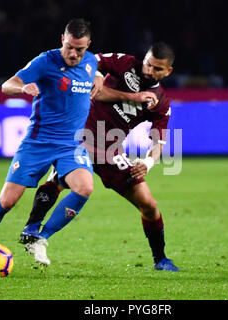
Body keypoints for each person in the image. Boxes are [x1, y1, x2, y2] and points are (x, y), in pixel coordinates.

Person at [0, 19, 101, 274]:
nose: (73, 54)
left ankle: (40, 238)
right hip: (38, 141)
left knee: (85, 188)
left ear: (88, 46)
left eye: (79, 50)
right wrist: (22, 88)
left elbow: (97, 67)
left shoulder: (91, 62)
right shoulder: (45, 61)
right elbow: (6, 85)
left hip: (70, 144)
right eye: (69, 48)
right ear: (61, 40)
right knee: (7, 201)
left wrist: (98, 77)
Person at [20, 42, 180, 271]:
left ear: (167, 72)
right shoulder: (125, 63)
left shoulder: (161, 103)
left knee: (149, 205)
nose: (148, 71)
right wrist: (95, 75)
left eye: (156, 69)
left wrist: (148, 162)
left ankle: (160, 259)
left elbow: (159, 143)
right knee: (59, 181)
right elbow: (91, 60)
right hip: (81, 134)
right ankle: (33, 229)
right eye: (147, 64)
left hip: (112, 148)